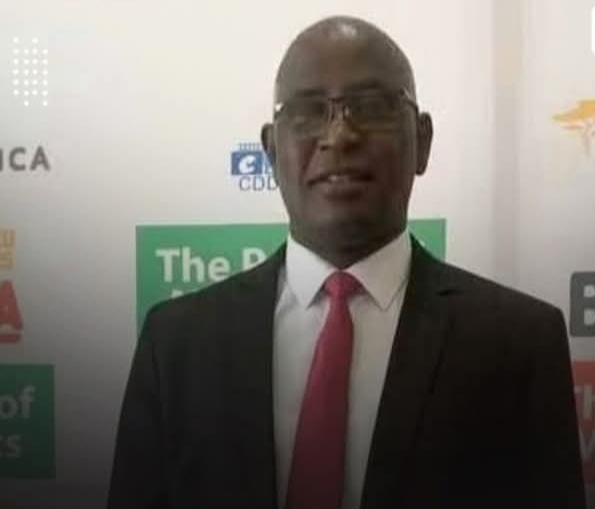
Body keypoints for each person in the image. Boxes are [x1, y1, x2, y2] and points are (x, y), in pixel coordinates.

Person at [107, 15, 585, 509]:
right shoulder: (177, 344)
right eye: (309, 111)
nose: (339, 135)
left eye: (373, 107)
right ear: (270, 151)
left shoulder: (518, 346)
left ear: (422, 141)